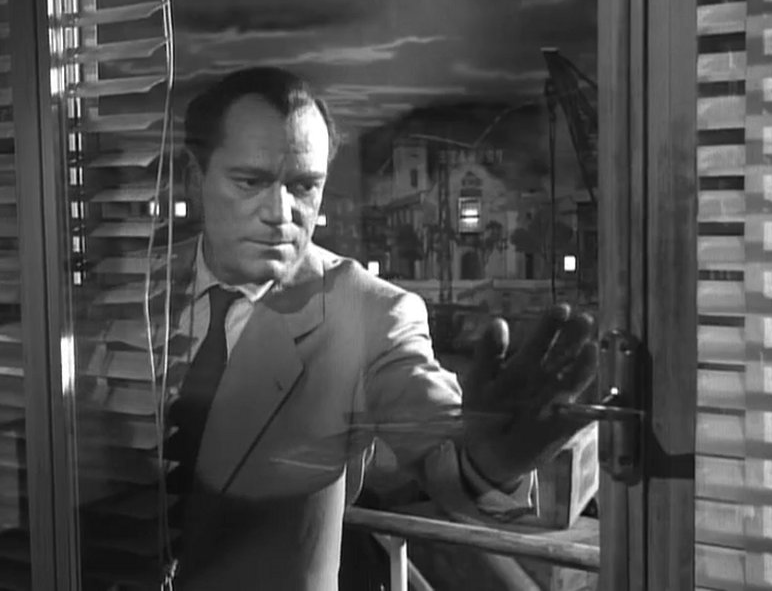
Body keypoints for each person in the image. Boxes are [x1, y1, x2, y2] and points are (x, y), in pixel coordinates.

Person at [163, 66, 597, 590]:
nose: (280, 212)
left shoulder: (369, 312)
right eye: (250, 182)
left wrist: (490, 462)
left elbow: (443, 454)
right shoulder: (134, 292)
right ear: (194, 178)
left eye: (304, 186)